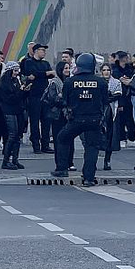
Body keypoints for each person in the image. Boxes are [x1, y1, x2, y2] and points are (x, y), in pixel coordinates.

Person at [51, 53, 108, 186]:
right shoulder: (100, 82)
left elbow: (65, 100)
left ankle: (62, 169)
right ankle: (88, 177)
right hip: (94, 120)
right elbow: (105, 101)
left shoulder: (70, 82)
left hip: (76, 119)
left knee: (62, 138)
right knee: (92, 147)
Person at [22, 43, 55, 154]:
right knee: (35, 122)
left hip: (45, 96)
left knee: (46, 121)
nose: (44, 52)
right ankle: (36, 144)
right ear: (36, 51)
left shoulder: (45, 63)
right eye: (42, 50)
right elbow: (32, 73)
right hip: (34, 96)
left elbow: (51, 75)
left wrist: (43, 74)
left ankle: (45, 144)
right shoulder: (28, 62)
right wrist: (45, 73)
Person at [0, 61, 29, 170]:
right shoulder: (4, 83)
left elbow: (19, 97)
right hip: (9, 110)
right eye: (15, 71)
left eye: (18, 70)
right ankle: (6, 161)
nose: (17, 73)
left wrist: (24, 91)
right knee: (12, 135)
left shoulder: (16, 80)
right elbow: (9, 98)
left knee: (18, 136)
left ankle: (15, 159)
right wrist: (20, 92)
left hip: (18, 109)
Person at [100, 63, 122, 171]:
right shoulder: (98, 82)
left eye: (108, 70)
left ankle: (107, 160)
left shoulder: (116, 82)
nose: (106, 72)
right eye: (104, 70)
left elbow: (117, 94)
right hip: (99, 111)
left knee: (110, 137)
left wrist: (107, 98)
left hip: (111, 111)